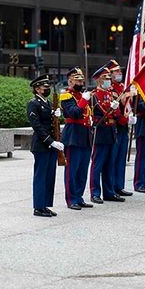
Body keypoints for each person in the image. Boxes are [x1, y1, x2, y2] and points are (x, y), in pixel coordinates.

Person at [27, 74, 64, 217]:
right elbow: (37, 126)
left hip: (51, 146)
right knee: (40, 176)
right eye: (44, 87)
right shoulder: (34, 104)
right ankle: (38, 207)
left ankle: (46, 205)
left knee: (50, 176)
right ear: (37, 89)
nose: (47, 89)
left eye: (48, 86)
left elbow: (51, 124)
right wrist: (51, 141)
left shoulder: (48, 103)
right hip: (41, 145)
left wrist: (56, 115)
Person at [89, 66, 125, 203]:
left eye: (110, 78)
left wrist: (119, 114)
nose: (109, 81)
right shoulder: (94, 96)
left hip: (111, 132)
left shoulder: (110, 94)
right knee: (97, 164)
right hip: (101, 132)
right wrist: (112, 110)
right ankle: (95, 193)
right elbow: (95, 114)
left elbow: (116, 115)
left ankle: (109, 192)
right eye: (106, 79)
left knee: (110, 163)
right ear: (99, 80)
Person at [60, 67, 94, 210]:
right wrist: (83, 101)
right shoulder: (66, 96)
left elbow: (85, 114)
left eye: (82, 80)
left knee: (82, 169)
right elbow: (74, 113)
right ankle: (71, 199)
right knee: (72, 170)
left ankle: (79, 196)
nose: (80, 82)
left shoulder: (82, 95)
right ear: (70, 81)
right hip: (73, 135)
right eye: (77, 80)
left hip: (85, 135)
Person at [106, 59, 135, 197]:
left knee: (121, 158)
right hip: (115, 127)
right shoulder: (110, 89)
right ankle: (111, 187)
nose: (119, 73)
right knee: (113, 158)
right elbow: (114, 110)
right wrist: (124, 119)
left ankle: (119, 185)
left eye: (119, 71)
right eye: (116, 71)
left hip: (123, 128)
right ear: (110, 74)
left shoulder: (123, 86)